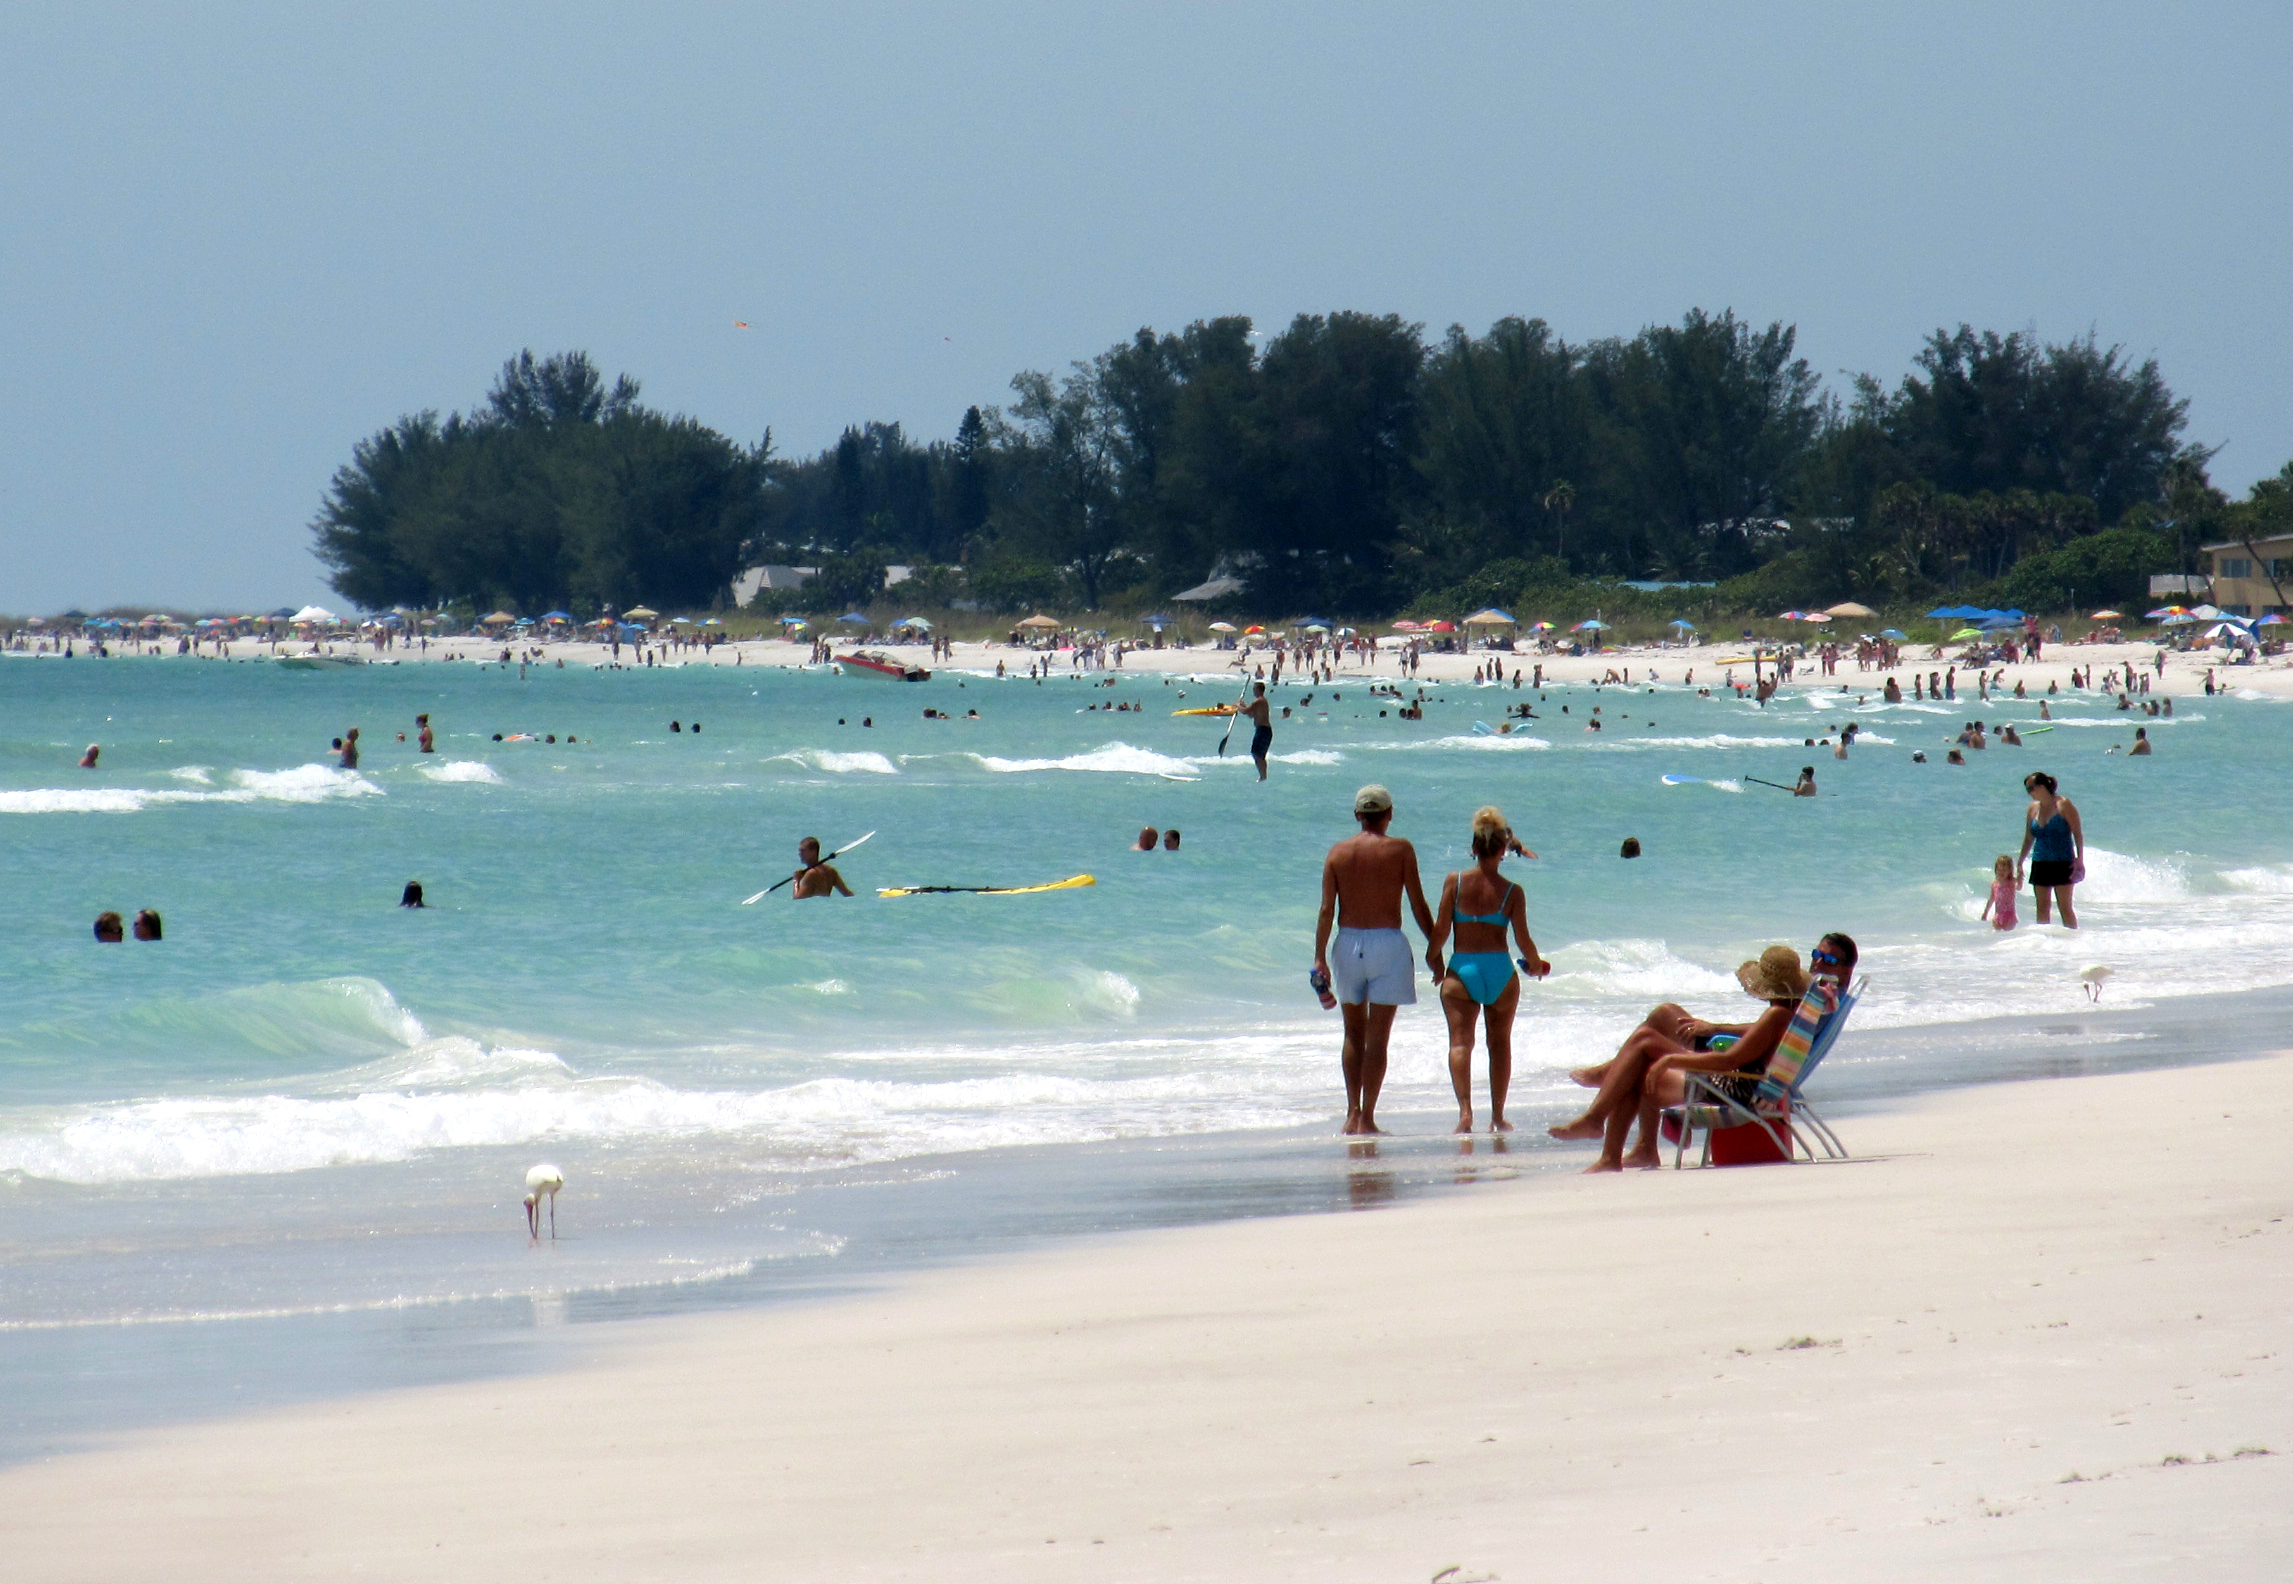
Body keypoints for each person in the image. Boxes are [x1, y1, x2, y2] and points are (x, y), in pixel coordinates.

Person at [1552, 935, 1858, 1171]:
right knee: (1646, 1046)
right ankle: (1619, 1143)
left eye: (1828, 958)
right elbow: (1755, 1046)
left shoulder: (1781, 1015)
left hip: (1734, 1086)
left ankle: (1602, 1122)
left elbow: (1730, 1061)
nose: (1818, 962)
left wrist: (1673, 1058)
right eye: (1816, 955)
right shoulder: (1807, 1008)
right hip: (1746, 1080)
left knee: (1647, 1042)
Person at [1311, 785, 1439, 1135]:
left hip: (1348, 942)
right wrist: (1435, 947)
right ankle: (1368, 1117)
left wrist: (1319, 957)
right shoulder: (1400, 849)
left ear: (1357, 816)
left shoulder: (1338, 853)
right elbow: (1417, 904)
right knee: (1378, 1037)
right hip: (1388, 943)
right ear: (1389, 814)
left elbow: (1326, 910)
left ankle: (1351, 1114)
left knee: (1353, 1034)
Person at [1426, 807, 1550, 1133]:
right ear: (1502, 852)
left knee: (1459, 1044)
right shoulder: (1513, 892)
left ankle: (1465, 1113)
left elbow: (1440, 931)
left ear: (1474, 849)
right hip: (1500, 971)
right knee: (1500, 1044)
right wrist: (1535, 965)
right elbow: (1523, 941)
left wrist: (1432, 958)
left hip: (1462, 969)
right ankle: (1497, 1116)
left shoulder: (1454, 882)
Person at [2015, 771, 2084, 928]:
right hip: (2040, 861)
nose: (2029, 793)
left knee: (2064, 908)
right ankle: (2044, 946)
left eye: (2030, 789)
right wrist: (2020, 862)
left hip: (2063, 861)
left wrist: (2080, 860)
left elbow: (2077, 834)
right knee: (2042, 908)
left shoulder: (2064, 805)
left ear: (2042, 787)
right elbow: (2028, 838)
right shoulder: (2033, 809)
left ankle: (2073, 942)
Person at [1240, 682, 1273, 781]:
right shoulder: (1258, 702)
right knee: (1256, 753)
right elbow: (1251, 715)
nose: (1253, 691)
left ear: (1259, 690)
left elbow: (1245, 711)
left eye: (1254, 689)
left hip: (1264, 730)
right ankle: (1262, 776)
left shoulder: (1259, 701)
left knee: (1258, 754)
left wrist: (1238, 706)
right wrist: (1242, 705)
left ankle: (1263, 776)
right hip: (1261, 730)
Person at [1979, 856, 2017, 931]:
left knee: (2007, 937)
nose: (2001, 872)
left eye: (2004, 870)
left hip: (2009, 916)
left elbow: (2019, 887)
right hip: (1998, 916)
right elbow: (1991, 899)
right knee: (1997, 936)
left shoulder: (2011, 882)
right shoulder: (1994, 884)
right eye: (1999, 870)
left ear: (2010, 871)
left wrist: (2020, 877)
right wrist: (1985, 912)